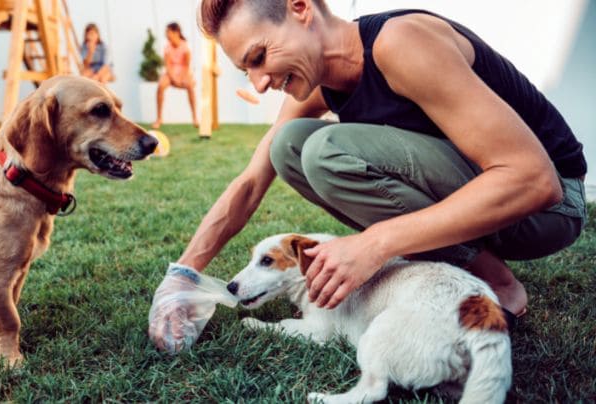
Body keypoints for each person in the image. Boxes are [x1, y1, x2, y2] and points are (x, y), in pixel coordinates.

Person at [148, 0, 588, 353]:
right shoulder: (320, 79)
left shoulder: (401, 43)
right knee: (290, 146)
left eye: (260, 57)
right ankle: (473, 267)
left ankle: (501, 285)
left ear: (300, 8)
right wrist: (182, 275)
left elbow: (535, 180)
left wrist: (374, 245)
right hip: (490, 196)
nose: (259, 83)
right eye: (249, 71)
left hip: (553, 208)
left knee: (323, 151)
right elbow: (251, 181)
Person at [152, 22, 199, 129]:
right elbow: (167, 66)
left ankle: (195, 118)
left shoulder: (185, 47)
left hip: (183, 71)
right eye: (166, 32)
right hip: (171, 73)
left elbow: (187, 66)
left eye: (168, 32)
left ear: (176, 32)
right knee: (161, 86)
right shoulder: (167, 47)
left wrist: (182, 78)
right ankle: (159, 118)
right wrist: (173, 78)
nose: (166, 35)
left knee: (191, 86)